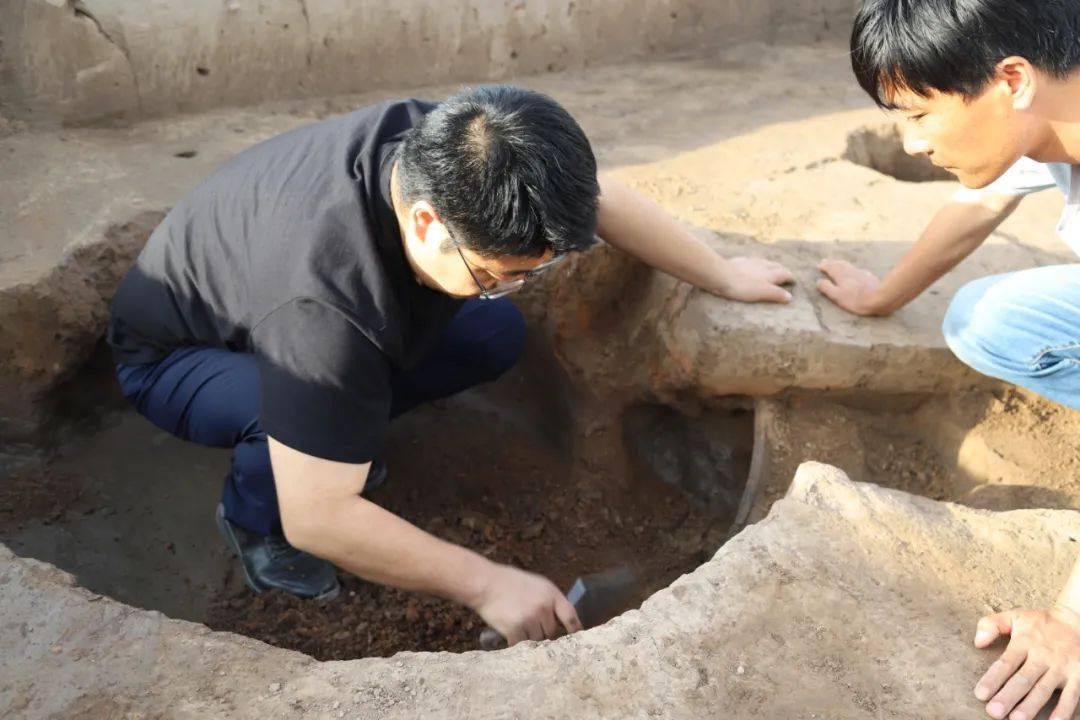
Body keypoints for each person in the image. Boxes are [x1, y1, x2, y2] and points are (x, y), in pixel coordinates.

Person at [108, 85, 794, 647]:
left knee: (492, 332)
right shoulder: (324, 308)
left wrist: (723, 275)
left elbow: (601, 199)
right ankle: (254, 519)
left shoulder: (459, 143)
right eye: (496, 272)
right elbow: (319, 518)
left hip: (280, 307)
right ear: (430, 223)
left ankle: (335, 434)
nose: (514, 282)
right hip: (178, 358)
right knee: (295, 444)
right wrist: (488, 583)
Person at [817, 2, 1080, 719]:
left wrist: (1074, 622)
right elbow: (975, 209)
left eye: (920, 115)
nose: (911, 145)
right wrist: (881, 295)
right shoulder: (1054, 109)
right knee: (986, 321)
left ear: (1013, 79)